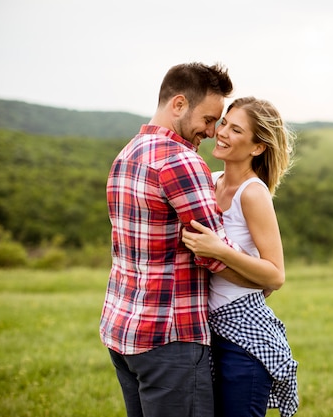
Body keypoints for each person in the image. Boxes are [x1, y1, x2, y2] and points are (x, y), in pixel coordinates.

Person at [99, 62, 256, 417]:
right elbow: (213, 254)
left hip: (123, 330)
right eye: (209, 119)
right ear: (179, 104)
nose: (213, 131)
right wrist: (263, 280)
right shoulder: (181, 160)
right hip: (170, 337)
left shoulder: (126, 154)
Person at [181, 97, 299, 417]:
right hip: (208, 330)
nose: (221, 133)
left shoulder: (253, 192)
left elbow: (275, 275)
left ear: (257, 147)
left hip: (242, 336)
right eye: (224, 123)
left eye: (236, 130)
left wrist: (220, 250)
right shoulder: (212, 180)